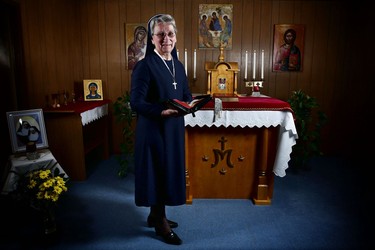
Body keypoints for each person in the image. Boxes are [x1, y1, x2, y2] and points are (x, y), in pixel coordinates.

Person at [130, 14, 192, 245]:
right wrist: (160, 111)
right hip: (154, 129)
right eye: (160, 34)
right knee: (157, 171)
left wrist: (190, 104)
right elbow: (136, 101)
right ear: (152, 39)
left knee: (169, 170)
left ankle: (155, 215)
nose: (166, 39)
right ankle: (160, 222)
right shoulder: (144, 66)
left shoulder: (178, 64)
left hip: (173, 129)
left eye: (170, 34)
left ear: (176, 36)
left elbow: (184, 94)